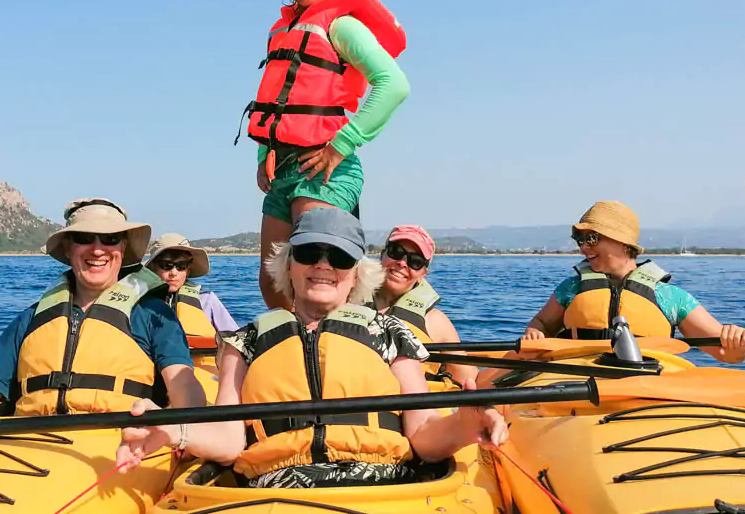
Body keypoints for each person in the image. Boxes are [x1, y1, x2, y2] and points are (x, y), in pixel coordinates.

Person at [116, 208, 506, 489]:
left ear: (356, 272)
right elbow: (230, 440)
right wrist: (172, 429)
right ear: (288, 265)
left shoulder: (390, 333)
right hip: (274, 489)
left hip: (381, 486)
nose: (322, 265)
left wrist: (465, 423)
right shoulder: (244, 342)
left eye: (338, 257)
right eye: (308, 253)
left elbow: (422, 435)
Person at [237, 0, 410, 310]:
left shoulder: (343, 26)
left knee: (314, 281)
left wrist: (341, 145)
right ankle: (287, 361)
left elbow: (394, 84)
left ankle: (341, 356)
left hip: (325, 169)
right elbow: (277, 102)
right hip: (284, 171)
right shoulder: (283, 30)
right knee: (274, 285)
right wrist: (264, 157)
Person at [0, 198, 207, 419]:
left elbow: (183, 387)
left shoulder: (155, 316)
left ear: (122, 248)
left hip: (119, 445)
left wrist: (182, 431)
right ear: (67, 248)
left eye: (110, 239)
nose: (98, 249)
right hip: (28, 440)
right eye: (85, 237)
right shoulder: (31, 318)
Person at [521, 200, 745, 363]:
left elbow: (727, 355)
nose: (583, 247)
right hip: (579, 379)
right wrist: (535, 333)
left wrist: (737, 343)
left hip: (643, 385)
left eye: (591, 238)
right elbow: (541, 322)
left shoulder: (670, 297)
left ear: (623, 242)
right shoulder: (571, 289)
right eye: (579, 240)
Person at [374, 225, 476, 385]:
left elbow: (470, 380)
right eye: (396, 252)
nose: (402, 263)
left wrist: (515, 356)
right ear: (382, 254)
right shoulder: (344, 302)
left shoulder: (436, 322)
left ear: (423, 274)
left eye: (415, 261)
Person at [144, 232, 238, 337]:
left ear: (188, 270)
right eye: (166, 265)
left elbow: (235, 339)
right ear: (153, 268)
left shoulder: (207, 300)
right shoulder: (140, 303)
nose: (174, 273)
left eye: (181, 266)